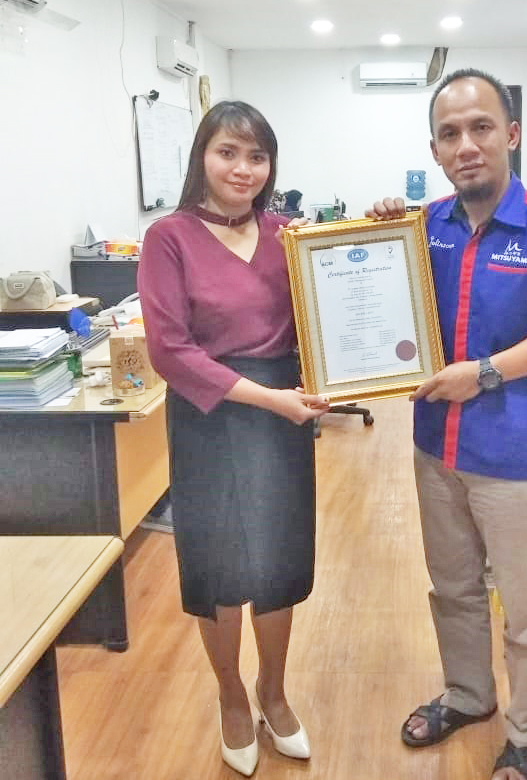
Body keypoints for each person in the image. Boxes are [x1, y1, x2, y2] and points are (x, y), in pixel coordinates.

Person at [367, 69, 527, 780]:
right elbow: (382, 300)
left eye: (481, 128)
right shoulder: (424, 226)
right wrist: (375, 234)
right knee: (454, 587)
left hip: (513, 452)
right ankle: (469, 695)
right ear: (435, 150)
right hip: (435, 445)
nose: (466, 145)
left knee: (526, 606)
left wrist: (486, 372)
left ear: (511, 135)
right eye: (450, 134)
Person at [137, 100, 329, 777]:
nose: (243, 168)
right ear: (202, 157)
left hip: (283, 415)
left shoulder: (291, 236)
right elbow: (170, 351)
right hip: (211, 413)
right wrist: (269, 399)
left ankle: (274, 691)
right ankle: (231, 696)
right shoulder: (168, 237)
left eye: (257, 156)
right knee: (218, 564)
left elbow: (325, 320)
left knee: (278, 559)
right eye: (228, 152)